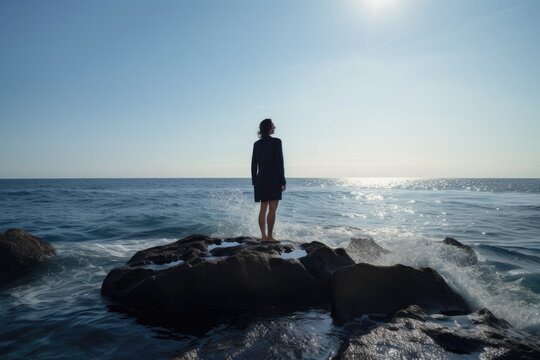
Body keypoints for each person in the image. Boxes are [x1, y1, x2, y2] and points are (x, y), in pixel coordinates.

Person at [251, 118, 286, 243]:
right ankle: (270, 237)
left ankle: (263, 237)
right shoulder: (277, 142)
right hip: (273, 179)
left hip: (260, 180)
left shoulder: (256, 144)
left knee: (263, 208)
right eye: (273, 125)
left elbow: (253, 164)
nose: (275, 127)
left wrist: (255, 182)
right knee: (272, 210)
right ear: (270, 128)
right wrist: (283, 181)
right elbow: (279, 163)